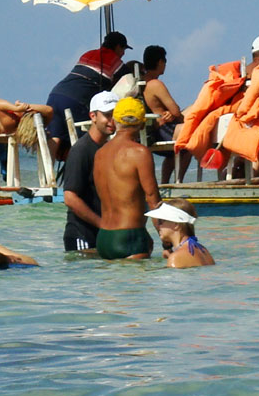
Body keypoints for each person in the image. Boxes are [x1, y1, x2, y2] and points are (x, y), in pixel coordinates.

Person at [46, 31, 132, 160]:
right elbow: (128, 80)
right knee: (90, 138)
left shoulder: (87, 54)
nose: (123, 53)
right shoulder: (116, 62)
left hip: (56, 95)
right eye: (123, 49)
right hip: (76, 100)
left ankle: (47, 176)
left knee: (55, 137)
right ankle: (88, 170)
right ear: (118, 46)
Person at [93, 97, 161, 260]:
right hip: (130, 237)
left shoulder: (99, 153)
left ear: (115, 121)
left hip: (104, 239)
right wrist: (166, 241)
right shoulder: (140, 153)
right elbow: (153, 199)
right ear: (143, 124)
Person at [62, 91, 118, 252]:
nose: (112, 121)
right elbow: (70, 197)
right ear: (93, 116)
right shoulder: (81, 150)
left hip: (104, 234)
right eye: (107, 115)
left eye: (115, 115)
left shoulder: (109, 149)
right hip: (82, 235)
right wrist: (102, 224)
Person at [142, 45, 191, 184]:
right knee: (188, 142)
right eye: (165, 61)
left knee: (172, 154)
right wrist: (173, 113)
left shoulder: (142, 81)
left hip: (154, 129)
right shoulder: (155, 84)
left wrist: (172, 113)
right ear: (160, 62)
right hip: (162, 130)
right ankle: (179, 181)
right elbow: (175, 110)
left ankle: (164, 182)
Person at [145, 198, 215, 268]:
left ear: (176, 224)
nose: (157, 225)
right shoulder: (203, 251)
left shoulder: (176, 257)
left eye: (160, 221)